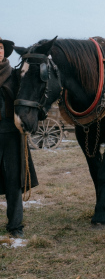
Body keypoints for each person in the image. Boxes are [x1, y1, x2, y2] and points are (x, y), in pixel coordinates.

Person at [0, 37, 38, 238]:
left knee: (13, 182)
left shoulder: (15, 76)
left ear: (4, 52)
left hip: (11, 135)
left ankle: (15, 226)